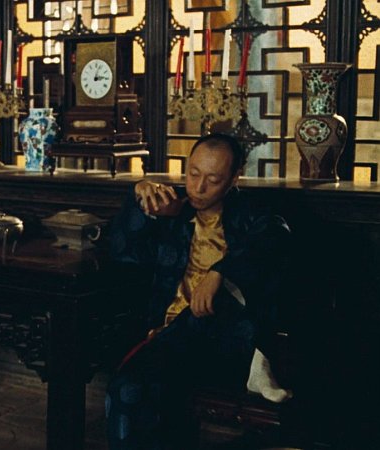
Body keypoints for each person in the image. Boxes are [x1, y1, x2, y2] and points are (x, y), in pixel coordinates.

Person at [104, 133, 292, 449]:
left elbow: (276, 236)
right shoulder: (173, 209)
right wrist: (140, 202)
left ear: (234, 179)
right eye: (193, 174)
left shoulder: (249, 214)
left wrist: (220, 272)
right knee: (126, 391)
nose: (199, 188)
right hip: (168, 337)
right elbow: (123, 254)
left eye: (213, 180)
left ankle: (255, 362)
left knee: (217, 305)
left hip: (220, 344)